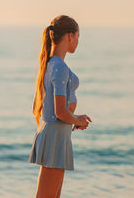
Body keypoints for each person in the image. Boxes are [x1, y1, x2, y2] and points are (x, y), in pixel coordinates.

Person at [28, 14, 92, 198]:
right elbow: (60, 111)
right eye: (78, 36)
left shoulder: (53, 64)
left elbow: (61, 111)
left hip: (58, 133)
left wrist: (75, 119)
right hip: (55, 134)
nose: (78, 41)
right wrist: (75, 119)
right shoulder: (59, 67)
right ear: (69, 36)